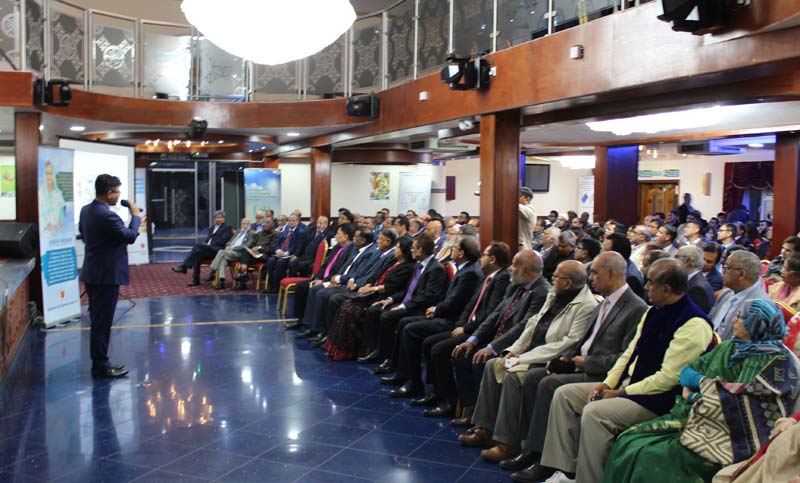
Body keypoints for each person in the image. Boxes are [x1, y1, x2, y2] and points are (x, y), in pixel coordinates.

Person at [524, 258, 714, 483]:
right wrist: (608, 383)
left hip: (659, 399)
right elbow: (629, 354)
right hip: (630, 386)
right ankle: (565, 470)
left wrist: (622, 392)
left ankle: (589, 479)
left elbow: (668, 378)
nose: (645, 287)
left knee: (595, 413)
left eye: (650, 282)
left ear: (666, 289)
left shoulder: (694, 323)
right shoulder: (654, 311)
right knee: (564, 395)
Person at [603, 299, 800, 483]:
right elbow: (687, 372)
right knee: (629, 440)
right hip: (696, 415)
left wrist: (696, 393)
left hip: (732, 435)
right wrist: (707, 385)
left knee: (651, 456)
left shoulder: (778, 362)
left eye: (741, 317)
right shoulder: (730, 347)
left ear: (756, 324)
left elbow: (744, 402)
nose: (734, 320)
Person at [459, 261, 598, 462]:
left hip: (549, 358)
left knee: (514, 376)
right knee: (492, 365)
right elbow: (532, 325)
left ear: (567, 283)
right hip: (530, 352)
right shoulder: (554, 294)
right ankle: (485, 428)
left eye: (556, 277)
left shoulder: (586, 306)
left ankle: (508, 442)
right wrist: (513, 351)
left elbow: (568, 343)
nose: (552, 280)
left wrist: (522, 358)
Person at [418, 241, 513, 418]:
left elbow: (490, 313)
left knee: (439, 349)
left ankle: (450, 400)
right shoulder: (487, 277)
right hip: (467, 328)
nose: (481, 258)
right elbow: (470, 305)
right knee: (429, 343)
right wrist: (460, 325)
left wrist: (466, 328)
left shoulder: (502, 279)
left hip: (481, 333)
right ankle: (436, 393)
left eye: (484, 255)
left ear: (492, 259)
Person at [381, 236, 483, 398]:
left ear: (462, 253)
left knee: (410, 328)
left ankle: (414, 383)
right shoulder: (465, 269)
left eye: (454, 248)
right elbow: (449, 297)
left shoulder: (469, 273)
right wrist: (437, 308)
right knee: (404, 323)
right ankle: (403, 374)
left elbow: (456, 302)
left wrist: (437, 310)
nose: (451, 250)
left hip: (452, 320)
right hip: (446, 314)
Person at [79, 174, 142, 378]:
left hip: (93, 272)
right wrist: (136, 217)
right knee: (102, 323)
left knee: (99, 321)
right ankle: (101, 366)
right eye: (117, 192)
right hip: (106, 276)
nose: (119, 196)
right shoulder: (108, 216)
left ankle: (100, 362)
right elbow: (129, 236)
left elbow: (85, 235)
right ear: (109, 193)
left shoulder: (86, 210)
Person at [709, 250, 770, 340]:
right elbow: (709, 321)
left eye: (727, 267)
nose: (723, 271)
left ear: (741, 274)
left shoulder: (760, 307)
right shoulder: (726, 293)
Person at [172, 210, 232, 286]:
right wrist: (205, 243)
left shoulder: (227, 227)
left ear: (223, 219)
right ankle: (195, 280)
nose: (219, 219)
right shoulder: (212, 228)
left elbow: (223, 241)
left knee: (197, 246)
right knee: (197, 254)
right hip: (208, 249)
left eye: (220, 217)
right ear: (214, 219)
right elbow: (208, 239)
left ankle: (184, 267)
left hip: (217, 250)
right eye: (217, 217)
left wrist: (208, 245)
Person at [676, 245, 716, 314]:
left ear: (688, 261)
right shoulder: (696, 281)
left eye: (677, 257)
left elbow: (690, 315)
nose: (674, 260)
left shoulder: (697, 288)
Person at [39, 161, 66, 236]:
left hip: (58, 233)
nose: (49, 176)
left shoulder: (58, 192)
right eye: (47, 173)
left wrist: (56, 228)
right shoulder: (41, 193)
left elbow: (62, 213)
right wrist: (50, 228)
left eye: (51, 173)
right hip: (45, 234)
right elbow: (40, 216)